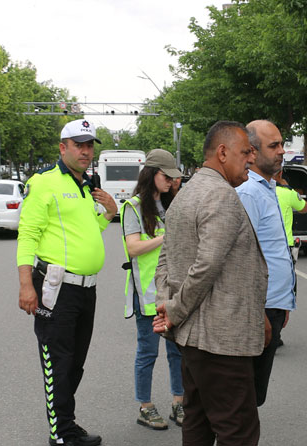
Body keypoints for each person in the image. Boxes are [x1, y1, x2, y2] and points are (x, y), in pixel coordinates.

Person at [151, 120, 269, 445]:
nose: (251, 158)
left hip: (195, 341)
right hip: (220, 343)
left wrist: (166, 304)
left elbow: (165, 259)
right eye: (245, 151)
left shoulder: (186, 195)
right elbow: (206, 266)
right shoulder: (221, 196)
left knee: (198, 424)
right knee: (238, 431)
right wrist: (172, 310)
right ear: (222, 152)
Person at [17, 119, 117, 446]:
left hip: (86, 289)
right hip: (56, 287)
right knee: (58, 363)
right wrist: (25, 285)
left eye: (90, 145)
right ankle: (60, 434)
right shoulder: (44, 182)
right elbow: (28, 236)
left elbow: (88, 232)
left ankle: (67, 424)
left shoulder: (85, 185)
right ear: (63, 148)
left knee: (75, 364)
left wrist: (109, 213)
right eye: (79, 145)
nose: (86, 151)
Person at [120, 149, 184, 430]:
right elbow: (133, 248)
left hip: (173, 293)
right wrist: (164, 238)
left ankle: (179, 403)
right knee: (148, 353)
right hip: (147, 295)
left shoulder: (174, 205)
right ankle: (145, 407)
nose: (170, 181)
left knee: (177, 352)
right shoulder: (132, 207)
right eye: (166, 176)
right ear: (151, 174)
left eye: (173, 177)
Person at [236, 120, 297, 406]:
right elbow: (239, 259)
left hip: (271, 306)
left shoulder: (268, 188)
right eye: (274, 146)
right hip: (256, 312)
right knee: (244, 401)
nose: (282, 151)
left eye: (281, 144)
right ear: (251, 151)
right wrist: (259, 314)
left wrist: (281, 303)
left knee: (253, 397)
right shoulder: (249, 192)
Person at [274, 168, 307, 262]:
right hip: (284, 243)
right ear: (280, 174)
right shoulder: (288, 193)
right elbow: (305, 208)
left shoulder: (257, 190)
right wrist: (288, 188)